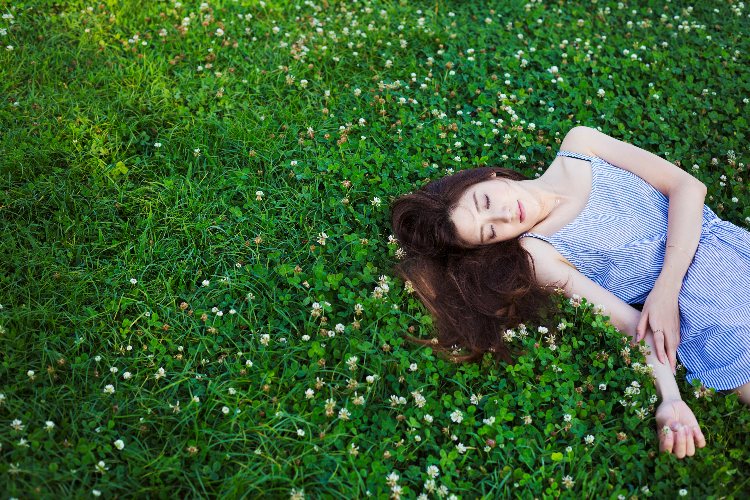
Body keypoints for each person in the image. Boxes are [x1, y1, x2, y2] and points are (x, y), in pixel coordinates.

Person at [390, 125, 750, 459]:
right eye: (490, 232)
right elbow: (631, 325)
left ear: (487, 176)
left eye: (485, 202)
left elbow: (688, 187)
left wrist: (667, 287)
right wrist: (669, 399)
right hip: (709, 318)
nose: (503, 216)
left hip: (731, 251)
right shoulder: (540, 253)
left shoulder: (580, 145)